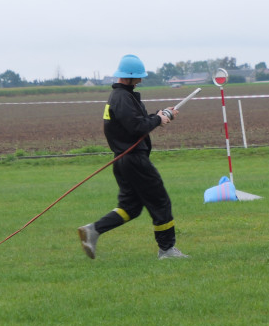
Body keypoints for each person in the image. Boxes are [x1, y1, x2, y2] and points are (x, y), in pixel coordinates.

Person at [77, 54, 188, 260]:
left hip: (123, 161)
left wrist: (161, 115)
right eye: (138, 76)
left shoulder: (123, 97)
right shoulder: (122, 98)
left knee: (131, 208)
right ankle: (167, 250)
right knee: (160, 201)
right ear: (128, 77)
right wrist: (157, 119)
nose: (141, 80)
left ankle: (92, 231)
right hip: (134, 160)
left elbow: (138, 122)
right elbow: (137, 126)